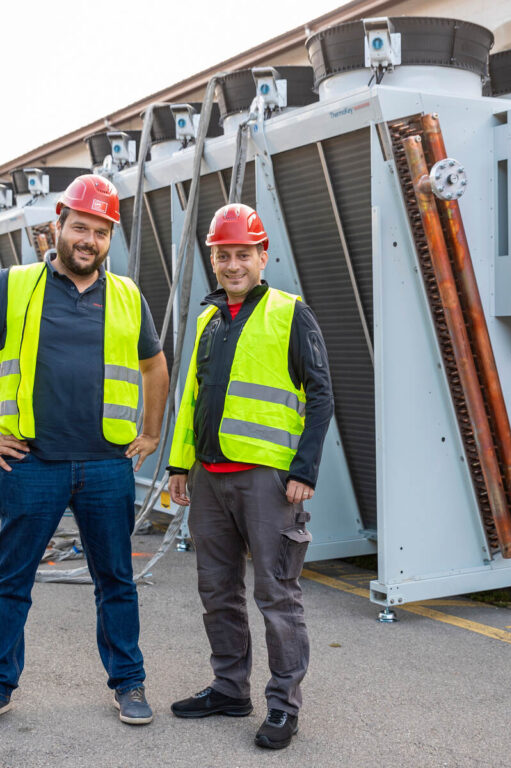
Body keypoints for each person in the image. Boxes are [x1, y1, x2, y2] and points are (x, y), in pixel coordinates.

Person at [0, 174, 169, 731]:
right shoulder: (12, 286)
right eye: (79, 227)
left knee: (115, 580)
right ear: (58, 227)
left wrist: (151, 432)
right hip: (32, 463)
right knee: (10, 580)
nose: (87, 239)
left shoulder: (127, 296)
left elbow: (154, 366)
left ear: (109, 236)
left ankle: (129, 682)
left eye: (99, 230)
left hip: (106, 466)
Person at [166, 203, 334, 750]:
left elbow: (322, 394)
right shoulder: (208, 320)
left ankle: (284, 706)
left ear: (263, 256)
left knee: (276, 595)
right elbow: (192, 397)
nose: (232, 264)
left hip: (267, 480)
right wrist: (177, 464)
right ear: (213, 259)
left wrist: (303, 470)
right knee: (216, 589)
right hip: (210, 478)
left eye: (243, 254)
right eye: (223, 255)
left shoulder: (290, 313)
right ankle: (229, 688)